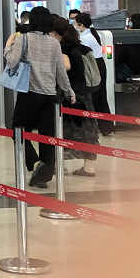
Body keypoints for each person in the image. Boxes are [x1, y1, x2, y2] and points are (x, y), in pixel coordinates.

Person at [4, 6, 73, 189]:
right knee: (47, 136)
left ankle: (35, 163)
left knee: (18, 131)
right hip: (49, 95)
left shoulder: (23, 38)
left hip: (29, 93)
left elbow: (11, 62)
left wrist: (8, 46)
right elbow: (61, 72)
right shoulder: (54, 43)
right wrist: (69, 91)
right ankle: (43, 177)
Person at [53, 16, 100, 177]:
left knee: (64, 130)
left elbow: (66, 66)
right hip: (85, 94)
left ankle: (59, 164)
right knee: (88, 129)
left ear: (57, 34)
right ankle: (88, 167)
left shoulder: (63, 49)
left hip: (67, 95)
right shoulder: (82, 48)